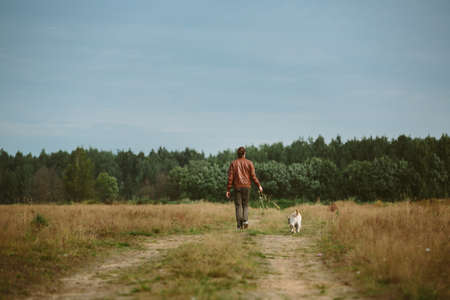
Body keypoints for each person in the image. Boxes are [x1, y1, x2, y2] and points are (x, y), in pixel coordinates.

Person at [226, 146, 263, 230]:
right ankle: (245, 221)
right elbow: (253, 176)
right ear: (244, 154)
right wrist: (259, 185)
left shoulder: (233, 163)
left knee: (238, 205)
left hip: (237, 187)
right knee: (245, 205)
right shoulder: (249, 163)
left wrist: (228, 189)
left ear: (237, 154)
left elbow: (230, 178)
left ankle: (239, 225)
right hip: (247, 186)